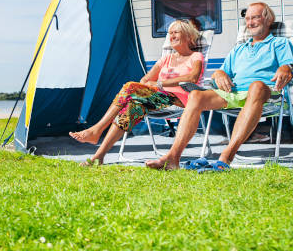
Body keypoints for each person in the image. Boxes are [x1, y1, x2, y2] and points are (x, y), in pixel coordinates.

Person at [146, 2, 293, 171]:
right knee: (196, 95)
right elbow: (221, 72)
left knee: (257, 86)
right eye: (248, 19)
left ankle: (226, 157)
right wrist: (219, 74)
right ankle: (172, 158)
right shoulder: (238, 49)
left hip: (264, 93)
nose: (250, 22)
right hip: (235, 92)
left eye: (255, 17)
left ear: (268, 20)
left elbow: (288, 67)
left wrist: (286, 68)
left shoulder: (279, 43)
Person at [69, 19, 205, 165]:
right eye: (169, 33)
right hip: (157, 99)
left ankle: (97, 129)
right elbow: (145, 80)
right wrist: (149, 86)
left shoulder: (195, 57)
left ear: (188, 36)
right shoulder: (166, 59)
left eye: (175, 32)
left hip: (180, 101)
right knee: (132, 107)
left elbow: (192, 77)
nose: (171, 36)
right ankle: (99, 156)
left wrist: (160, 84)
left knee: (130, 86)